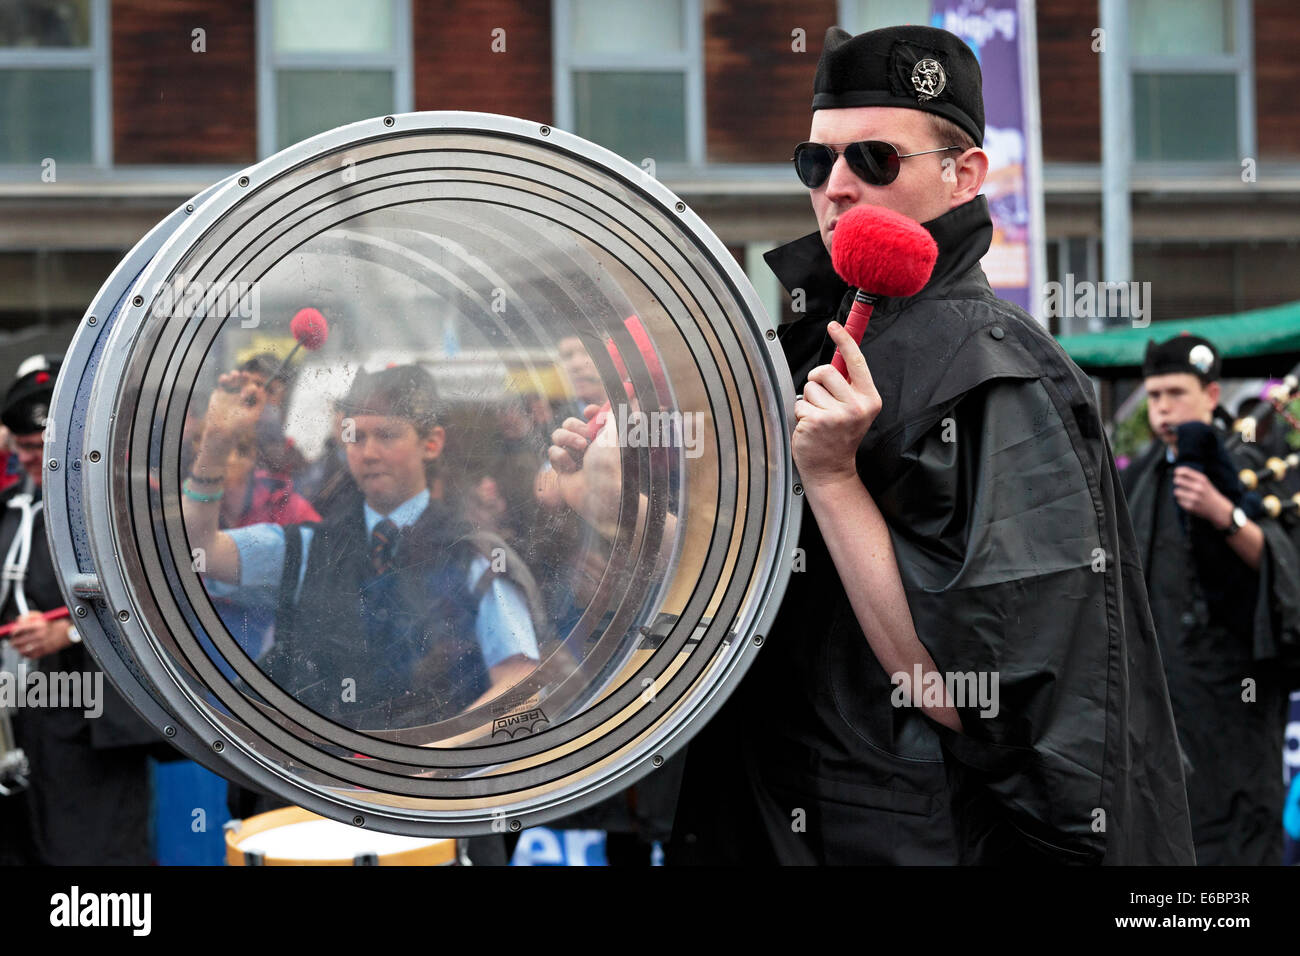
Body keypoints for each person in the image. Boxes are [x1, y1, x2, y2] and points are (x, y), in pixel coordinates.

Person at [659, 25, 1194, 864]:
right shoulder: (801, 345)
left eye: (874, 159)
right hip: (761, 813)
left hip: (900, 837)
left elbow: (969, 697)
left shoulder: (994, 372)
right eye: (816, 161)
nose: (836, 187)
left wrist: (835, 479)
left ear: (965, 173)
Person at [182, 362, 542, 733]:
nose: (368, 452)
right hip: (315, 781)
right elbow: (202, 551)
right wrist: (216, 441)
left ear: (431, 443)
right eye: (356, 436)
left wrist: (434, 763)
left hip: (436, 784)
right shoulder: (309, 546)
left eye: (386, 434)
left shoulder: (473, 556)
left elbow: (521, 686)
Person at [1121, 334, 1300, 865]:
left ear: (1213, 394)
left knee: (1236, 841)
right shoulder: (1140, 476)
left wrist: (1226, 514)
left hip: (1234, 698)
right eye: (1154, 396)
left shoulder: (1252, 463)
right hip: (1161, 698)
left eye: (1176, 392)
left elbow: (1285, 563)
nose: (1163, 408)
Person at [0, 355, 160, 865]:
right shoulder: (9, 510)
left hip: (95, 723)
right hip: (24, 726)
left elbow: (147, 605)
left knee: (97, 858)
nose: (29, 459)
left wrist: (67, 633)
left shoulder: (114, 508)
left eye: (37, 449)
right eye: (20, 447)